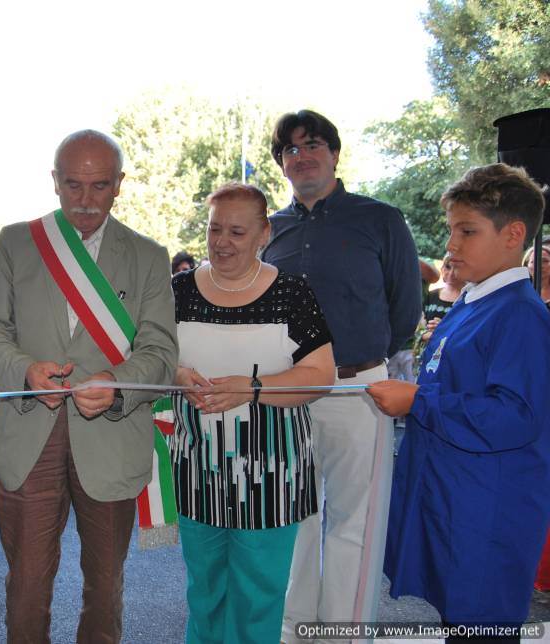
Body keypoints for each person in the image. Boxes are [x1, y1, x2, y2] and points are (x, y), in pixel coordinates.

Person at [0, 129, 178, 642]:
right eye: (74, 185)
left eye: (100, 186)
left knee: (105, 586)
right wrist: (22, 370)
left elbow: (160, 353)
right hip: (28, 433)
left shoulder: (149, 256)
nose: (86, 201)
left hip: (112, 436)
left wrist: (117, 383)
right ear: (55, 182)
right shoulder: (18, 241)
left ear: (120, 185)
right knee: (26, 585)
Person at [368, 163, 550, 638]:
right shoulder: (474, 303)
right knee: (459, 622)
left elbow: (515, 415)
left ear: (513, 235)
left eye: (467, 231)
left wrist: (417, 402)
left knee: (482, 626)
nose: (451, 245)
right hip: (454, 500)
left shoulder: (520, 316)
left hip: (487, 513)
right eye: (452, 230)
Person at [261, 109, 422, 640]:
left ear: (334, 152)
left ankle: (345, 635)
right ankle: (296, 630)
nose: (300, 156)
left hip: (359, 387)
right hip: (288, 394)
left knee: (357, 522)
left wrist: (365, 359)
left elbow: (404, 310)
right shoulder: (270, 229)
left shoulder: (381, 219)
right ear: (281, 163)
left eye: (312, 145)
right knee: (294, 522)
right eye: (289, 149)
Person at [170, 182, 335, 644]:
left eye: (237, 232)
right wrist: (175, 373)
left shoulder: (292, 293)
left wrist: (255, 388)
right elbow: (150, 358)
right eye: (214, 229)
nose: (222, 241)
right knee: (204, 593)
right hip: (197, 470)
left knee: (258, 597)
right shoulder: (177, 291)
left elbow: (322, 375)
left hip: (273, 476)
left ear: (264, 233)